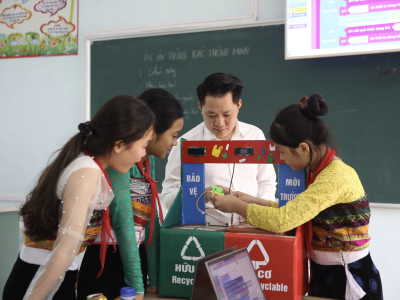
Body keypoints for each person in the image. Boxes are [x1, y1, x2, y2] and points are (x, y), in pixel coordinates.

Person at [209, 94, 383, 300]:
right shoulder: (317, 169)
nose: (281, 159)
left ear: (303, 149)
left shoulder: (335, 177)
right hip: (327, 273)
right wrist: (249, 199)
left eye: (283, 152)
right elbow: (295, 211)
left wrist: (236, 206)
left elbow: (283, 221)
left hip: (348, 278)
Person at [3, 95, 155, 300]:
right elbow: (63, 251)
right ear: (118, 145)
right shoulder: (87, 172)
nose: (142, 155)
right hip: (38, 283)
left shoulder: (86, 164)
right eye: (144, 145)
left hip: (52, 278)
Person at [77, 89, 184, 300]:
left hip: (135, 259)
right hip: (107, 263)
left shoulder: (147, 159)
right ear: (151, 130)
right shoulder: (119, 158)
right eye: (173, 135)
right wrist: (137, 286)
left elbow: (151, 221)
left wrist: (154, 279)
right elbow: (123, 221)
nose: (175, 142)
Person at [161, 73, 276, 225]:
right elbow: (168, 196)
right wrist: (201, 194)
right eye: (211, 115)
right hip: (207, 233)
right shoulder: (186, 143)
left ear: (239, 105)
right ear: (200, 107)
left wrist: (258, 216)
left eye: (227, 114)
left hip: (250, 229)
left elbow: (266, 182)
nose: (220, 123)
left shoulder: (255, 135)